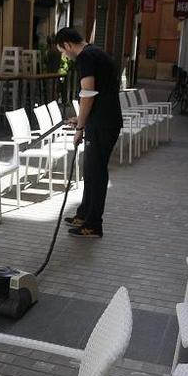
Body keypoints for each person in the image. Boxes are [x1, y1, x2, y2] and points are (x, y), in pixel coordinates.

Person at [54, 27, 122, 238]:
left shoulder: (85, 58)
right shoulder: (96, 53)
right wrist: (82, 119)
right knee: (91, 171)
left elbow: (88, 94)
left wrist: (81, 127)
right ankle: (84, 214)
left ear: (67, 44)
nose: (65, 56)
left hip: (102, 124)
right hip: (102, 121)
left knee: (96, 173)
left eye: (63, 51)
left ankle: (93, 224)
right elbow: (98, 94)